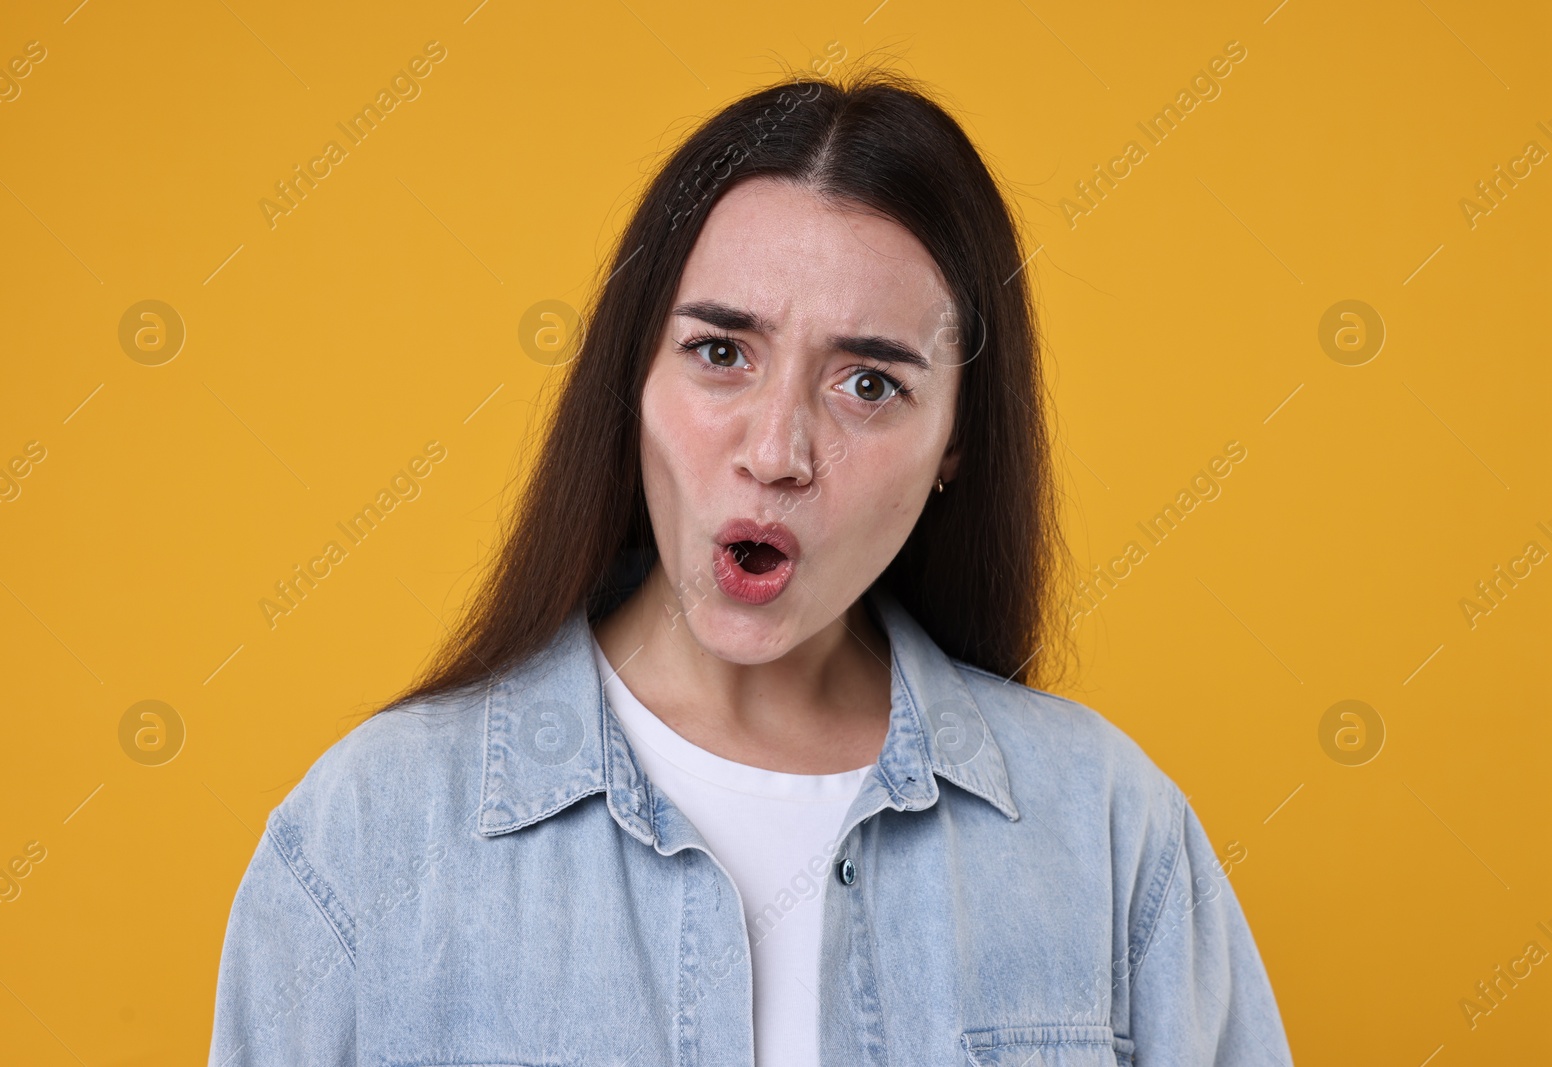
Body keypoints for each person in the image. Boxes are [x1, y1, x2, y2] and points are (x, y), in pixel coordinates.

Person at [207, 66, 1293, 1067]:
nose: (775, 452)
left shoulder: (1109, 832)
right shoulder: (367, 833)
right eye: (720, 352)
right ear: (630, 376)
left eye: (868, 382)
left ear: (956, 438)